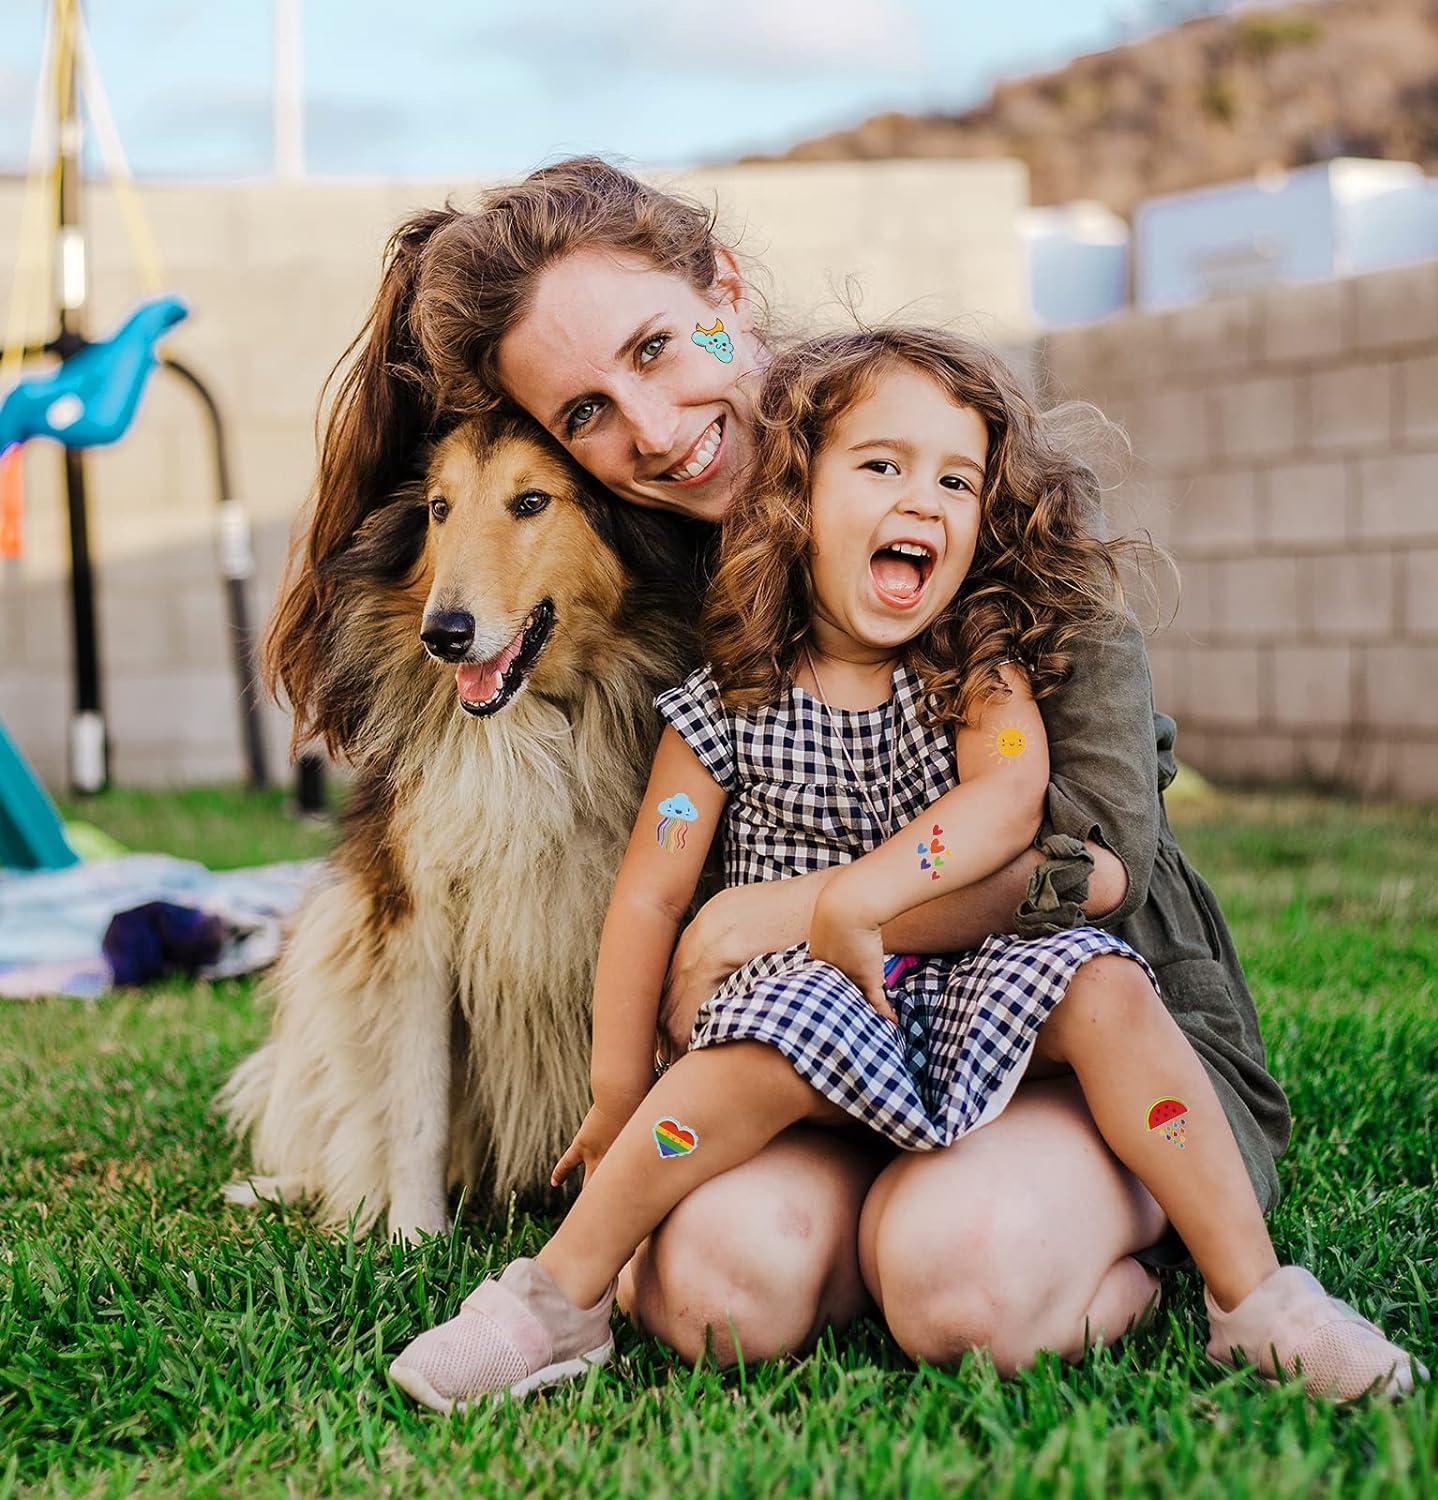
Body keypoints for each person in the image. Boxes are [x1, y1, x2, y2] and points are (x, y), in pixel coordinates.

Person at [269, 155, 1375, 1385]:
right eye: (584, 414)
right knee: (713, 1299)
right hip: (817, 1042)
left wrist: (783, 911)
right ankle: (751, 1254)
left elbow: (1083, 865)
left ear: (723, 289)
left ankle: (1181, 1275)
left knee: (969, 1291)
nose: (649, 431)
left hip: (1065, 1028)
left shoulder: (957, 500)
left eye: (652, 349)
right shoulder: (665, 581)